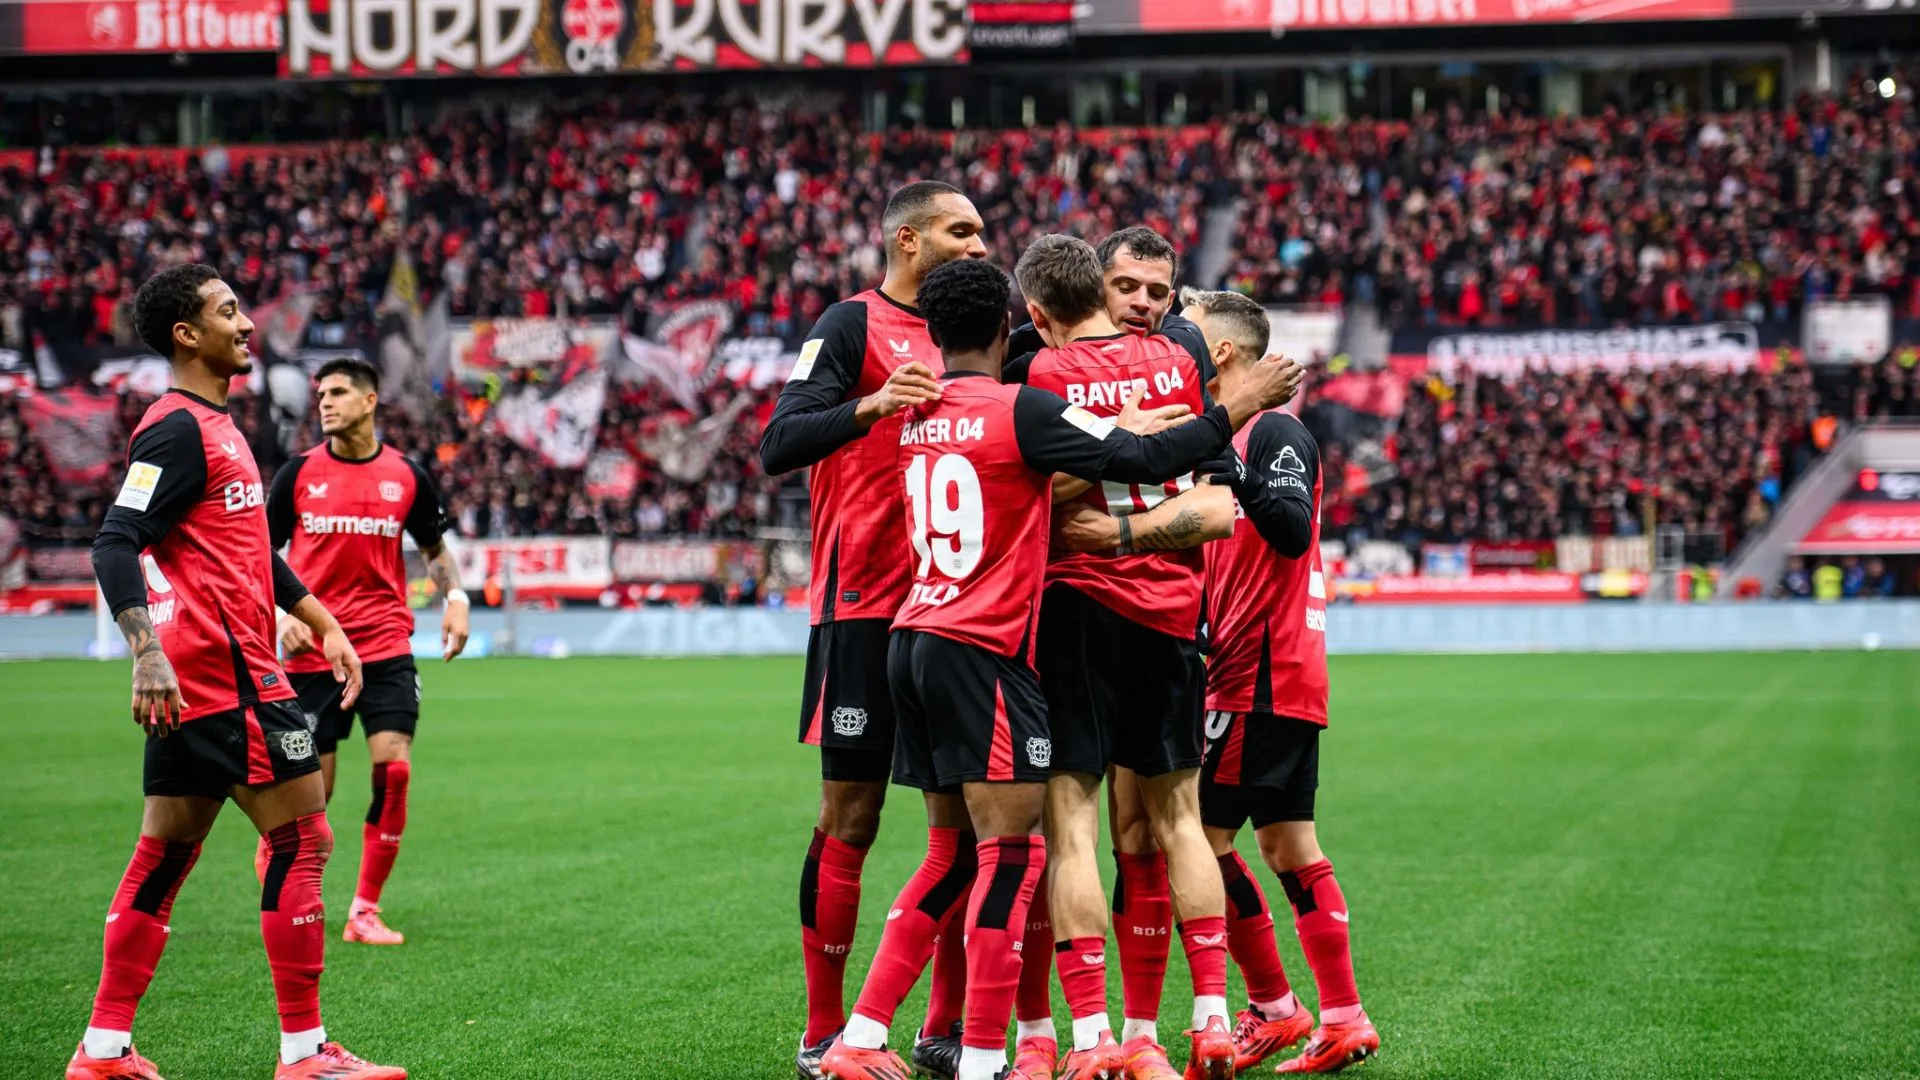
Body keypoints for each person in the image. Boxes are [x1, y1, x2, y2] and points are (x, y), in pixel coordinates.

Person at [821, 251, 1303, 1080]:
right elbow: (1144, 465)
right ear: (1014, 324)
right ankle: (988, 1052)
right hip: (998, 646)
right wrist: (1228, 408)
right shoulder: (1035, 406)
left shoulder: (922, 412)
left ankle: (912, 1037)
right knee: (1031, 851)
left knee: (965, 853)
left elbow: (1044, 474)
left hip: (921, 634)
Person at [73, 262, 402, 1080]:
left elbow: (252, 555)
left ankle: (103, 1049)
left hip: (204, 680)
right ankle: (304, 1053)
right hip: (226, 678)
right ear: (188, 335)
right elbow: (116, 538)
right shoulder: (177, 428)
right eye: (228, 311)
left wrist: (323, 623)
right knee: (304, 837)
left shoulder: (219, 428)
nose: (248, 322)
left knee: (166, 854)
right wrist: (144, 651)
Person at [1006, 236, 1282, 1080]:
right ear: (1104, 286)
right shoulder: (1178, 361)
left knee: (1073, 827)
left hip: (1072, 610)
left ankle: (1089, 1041)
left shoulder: (1041, 379)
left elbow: (1025, 496)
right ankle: (1206, 1022)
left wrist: (1101, 525)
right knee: (1179, 824)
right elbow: (1211, 508)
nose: (1143, 299)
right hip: (1171, 617)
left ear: (1043, 315)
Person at [758, 180, 989, 1080]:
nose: (976, 246)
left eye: (980, 234)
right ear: (906, 240)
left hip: (958, 610)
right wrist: (872, 404)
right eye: (958, 231)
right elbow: (779, 441)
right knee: (848, 818)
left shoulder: (980, 335)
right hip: (862, 607)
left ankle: (943, 1027)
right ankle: (823, 1033)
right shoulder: (849, 326)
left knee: (969, 830)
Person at [1187, 289, 1378, 1074]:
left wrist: (1226, 461)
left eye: (1189, 332)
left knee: (1194, 843)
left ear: (1223, 352)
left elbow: (1293, 528)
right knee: (1288, 842)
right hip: (1267, 668)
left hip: (1258, 672)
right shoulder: (1218, 433)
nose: (1176, 342)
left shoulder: (1275, 430)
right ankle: (1342, 1017)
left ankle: (1273, 1007)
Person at [261, 356, 469, 947]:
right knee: (312, 793)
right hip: (312, 657)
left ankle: (364, 912)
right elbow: (259, 559)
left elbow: (434, 548)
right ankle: (289, 890)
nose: (325, 402)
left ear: (370, 400)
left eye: (338, 392)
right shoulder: (296, 474)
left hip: (385, 646)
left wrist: (456, 597)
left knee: (394, 770)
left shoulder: (407, 475)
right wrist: (281, 615)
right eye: (320, 393)